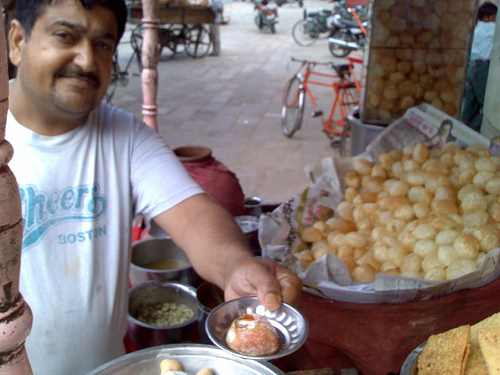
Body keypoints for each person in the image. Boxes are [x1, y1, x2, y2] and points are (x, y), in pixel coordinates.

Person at [5, 1, 302, 374]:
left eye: (102, 45)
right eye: (66, 36)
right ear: (17, 40)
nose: (85, 60)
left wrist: (235, 266)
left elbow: (194, 215)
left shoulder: (125, 137)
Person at [460, 1, 498, 132]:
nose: (495, 21)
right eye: (494, 17)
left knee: (470, 104)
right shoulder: (490, 28)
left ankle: (462, 128)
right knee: (487, 107)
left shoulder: (476, 28)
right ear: (486, 17)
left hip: (472, 67)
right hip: (482, 68)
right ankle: (472, 128)